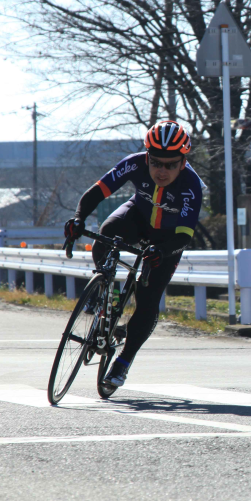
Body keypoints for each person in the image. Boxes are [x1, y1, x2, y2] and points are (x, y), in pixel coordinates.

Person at [63, 120, 203, 387]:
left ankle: (123, 363)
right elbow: (97, 193)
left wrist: (162, 251)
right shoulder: (134, 163)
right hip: (136, 217)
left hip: (167, 239)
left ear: (183, 162)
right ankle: (108, 294)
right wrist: (78, 218)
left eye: (170, 164)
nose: (162, 170)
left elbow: (185, 235)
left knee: (148, 297)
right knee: (105, 233)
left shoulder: (191, 185)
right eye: (156, 162)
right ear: (147, 156)